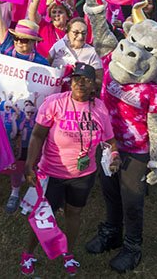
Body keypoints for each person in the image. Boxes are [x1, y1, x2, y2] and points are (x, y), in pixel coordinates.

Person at [20, 62, 120, 276]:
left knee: (74, 213)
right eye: (76, 78)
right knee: (45, 216)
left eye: (86, 79)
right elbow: (38, 135)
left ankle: (68, 253)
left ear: (95, 85)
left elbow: (110, 141)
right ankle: (28, 253)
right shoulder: (54, 103)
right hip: (52, 172)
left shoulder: (100, 108)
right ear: (70, 81)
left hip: (83, 175)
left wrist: (114, 156)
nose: (80, 83)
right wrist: (30, 164)